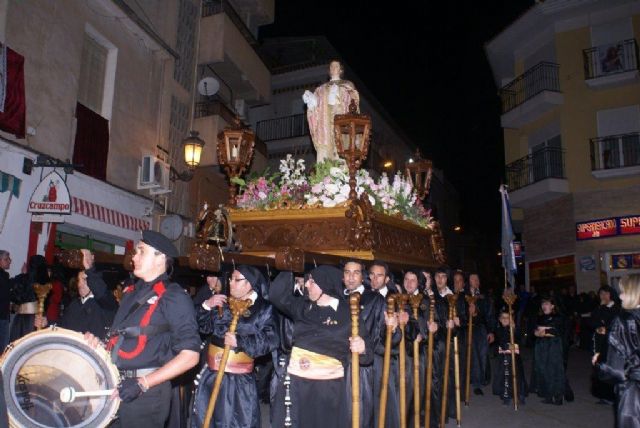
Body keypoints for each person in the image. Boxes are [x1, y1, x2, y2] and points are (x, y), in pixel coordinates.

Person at [86, 230, 201, 427]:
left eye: (141, 251)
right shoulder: (131, 292)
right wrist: (99, 345)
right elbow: (121, 338)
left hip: (148, 394)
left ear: (160, 258)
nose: (134, 256)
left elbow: (191, 356)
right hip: (116, 383)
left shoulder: (174, 296)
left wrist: (142, 383)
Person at [269, 265, 372, 428]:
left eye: (312, 282)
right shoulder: (303, 306)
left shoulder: (349, 314)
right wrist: (289, 266)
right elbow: (275, 295)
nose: (307, 285)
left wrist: (363, 347)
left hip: (327, 389)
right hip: (296, 383)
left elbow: (368, 357)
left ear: (325, 285)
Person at [192, 265, 278, 428]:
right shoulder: (222, 303)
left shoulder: (264, 308)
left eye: (236, 280)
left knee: (235, 421)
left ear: (250, 284)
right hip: (212, 374)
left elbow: (271, 340)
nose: (231, 283)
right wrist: (206, 306)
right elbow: (202, 327)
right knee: (207, 419)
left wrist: (241, 342)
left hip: (239, 381)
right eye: (230, 279)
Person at [342, 259, 390, 428]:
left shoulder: (375, 299)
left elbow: (384, 336)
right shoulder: (337, 297)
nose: (351, 277)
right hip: (339, 366)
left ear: (363, 277)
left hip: (365, 365)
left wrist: (394, 328)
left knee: (362, 415)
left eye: (356, 273)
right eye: (347, 272)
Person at [34, 249, 118, 340]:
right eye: (79, 280)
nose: (80, 284)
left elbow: (101, 291)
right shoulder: (74, 305)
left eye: (85, 280)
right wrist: (47, 323)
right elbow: (62, 326)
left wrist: (90, 269)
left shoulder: (106, 304)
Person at [595, 274, 640, 428]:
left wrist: (600, 363)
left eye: (624, 291)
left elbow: (615, 368)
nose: (620, 295)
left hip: (633, 391)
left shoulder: (625, 319)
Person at [302, 60, 360, 162]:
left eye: (336, 66)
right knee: (325, 145)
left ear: (341, 69)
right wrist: (311, 101)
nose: (333, 68)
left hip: (342, 120)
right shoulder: (321, 89)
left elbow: (354, 101)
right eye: (331, 67)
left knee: (341, 146)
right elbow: (316, 105)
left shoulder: (347, 85)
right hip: (325, 123)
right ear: (329, 70)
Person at [368, 260, 401, 428]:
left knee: (386, 400)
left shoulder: (393, 298)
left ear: (387, 279)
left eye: (379, 275)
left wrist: (396, 327)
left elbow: (398, 334)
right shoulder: (365, 295)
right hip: (368, 355)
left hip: (386, 355)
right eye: (372, 274)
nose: (375, 279)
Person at [530, 295, 567, 405]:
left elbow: (558, 332)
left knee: (555, 369)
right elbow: (535, 331)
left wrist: (545, 331)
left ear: (552, 306)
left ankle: (558, 396)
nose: (544, 306)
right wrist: (538, 332)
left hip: (553, 346)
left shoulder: (558, 317)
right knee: (543, 369)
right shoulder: (540, 317)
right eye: (543, 304)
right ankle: (548, 394)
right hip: (541, 346)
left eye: (546, 304)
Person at [590, 285, 620, 404]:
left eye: (605, 293)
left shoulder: (617, 308)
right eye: (601, 294)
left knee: (611, 368)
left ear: (611, 294)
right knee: (600, 367)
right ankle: (604, 395)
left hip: (612, 343)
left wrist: (606, 329)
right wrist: (599, 326)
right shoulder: (600, 308)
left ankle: (613, 396)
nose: (603, 296)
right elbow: (593, 321)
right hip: (600, 342)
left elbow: (616, 324)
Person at [492, 307, 527, 405]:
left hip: (514, 358)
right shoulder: (498, 330)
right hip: (503, 358)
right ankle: (506, 395)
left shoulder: (514, 329)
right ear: (499, 319)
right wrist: (506, 346)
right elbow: (500, 342)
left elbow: (519, 340)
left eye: (507, 318)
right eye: (502, 317)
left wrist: (514, 329)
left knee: (517, 376)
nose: (505, 319)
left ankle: (520, 394)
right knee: (505, 376)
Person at [10, 254, 48, 342]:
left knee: (17, 346)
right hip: (35, 319)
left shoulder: (23, 279)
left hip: (21, 319)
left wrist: (22, 275)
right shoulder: (44, 281)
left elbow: (13, 296)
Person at [468, 273, 495, 396]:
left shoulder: (485, 297)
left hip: (481, 329)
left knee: (481, 355)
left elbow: (490, 314)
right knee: (471, 356)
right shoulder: (464, 295)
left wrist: (491, 331)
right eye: (472, 279)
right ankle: (471, 379)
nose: (475, 281)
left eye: (477, 279)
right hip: (467, 329)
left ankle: (478, 383)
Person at [0, 250, 13, 350]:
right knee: (3, 346)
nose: (10, 261)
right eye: (6, 259)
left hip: (4, 314)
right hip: (2, 315)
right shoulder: (3, 276)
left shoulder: (4, 275)